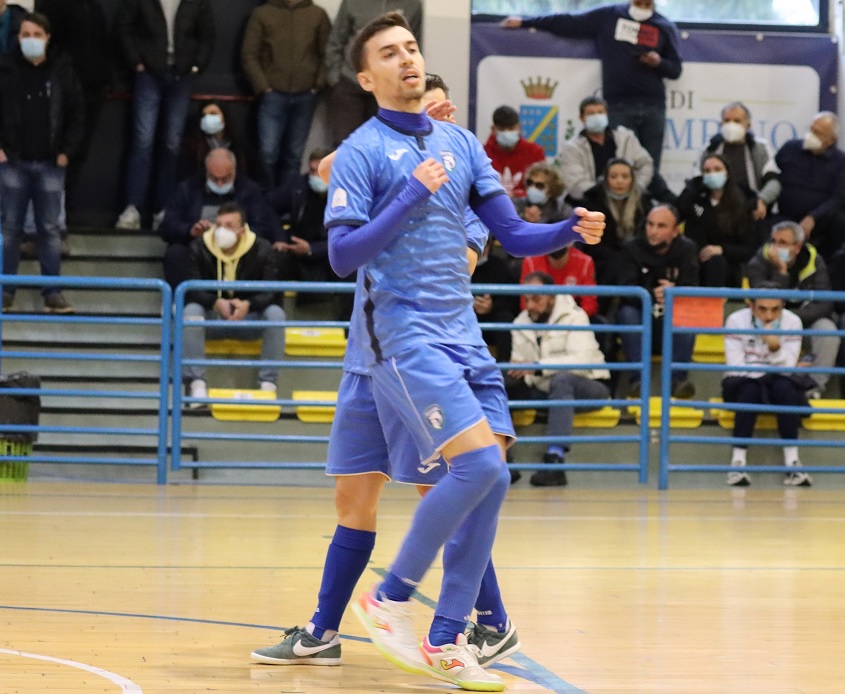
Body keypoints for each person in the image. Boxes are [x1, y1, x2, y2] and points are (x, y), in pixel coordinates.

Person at [323, 13, 603, 690]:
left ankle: (449, 639)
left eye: (411, 47)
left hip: (463, 336)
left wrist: (568, 228)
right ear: (367, 78)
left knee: (492, 477)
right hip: (403, 335)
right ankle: (388, 597)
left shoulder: (461, 144)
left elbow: (511, 233)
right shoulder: (362, 150)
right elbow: (341, 256)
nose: (406, 59)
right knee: (472, 467)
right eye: (389, 53)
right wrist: (408, 194)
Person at [251, 75, 521, 672]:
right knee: (352, 498)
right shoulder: (377, 165)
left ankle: (491, 622)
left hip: (419, 360)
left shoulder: (466, 190)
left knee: (446, 497)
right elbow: (326, 168)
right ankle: (322, 631)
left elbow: (458, 266)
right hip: (365, 363)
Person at [501, 0, 682, 187]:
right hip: (618, 106)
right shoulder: (610, 15)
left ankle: (644, 205)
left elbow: (676, 70)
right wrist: (526, 21)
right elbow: (569, 22)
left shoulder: (664, 26)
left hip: (653, 106)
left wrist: (659, 63)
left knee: (650, 169)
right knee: (617, 170)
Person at [0, 11, 83, 314]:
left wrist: (67, 151)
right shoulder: (5, 69)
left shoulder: (62, 70)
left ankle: (52, 292)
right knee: (10, 229)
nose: (31, 40)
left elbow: (76, 113)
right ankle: (5, 291)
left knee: (49, 230)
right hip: (12, 163)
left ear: (47, 38)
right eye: (26, 35)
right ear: (18, 38)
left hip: (51, 164)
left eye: (37, 35)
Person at [115, 0, 215, 231]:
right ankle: (133, 209)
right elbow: (123, 28)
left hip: (182, 74)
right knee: (143, 142)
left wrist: (197, 65)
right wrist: (136, 62)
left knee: (172, 145)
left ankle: (164, 210)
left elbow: (207, 34)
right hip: (148, 74)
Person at [506, 272, 610, 487]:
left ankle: (555, 460)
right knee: (498, 381)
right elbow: (520, 364)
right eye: (526, 299)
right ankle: (501, 457)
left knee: (562, 381)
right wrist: (518, 371)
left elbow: (581, 362)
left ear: (552, 297)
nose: (530, 305)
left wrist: (537, 367)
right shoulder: (520, 322)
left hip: (590, 385)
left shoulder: (575, 316)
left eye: (536, 299)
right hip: (543, 387)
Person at [182, 202, 284, 404]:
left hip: (249, 318)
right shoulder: (199, 247)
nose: (222, 230)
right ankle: (197, 384)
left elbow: (271, 291)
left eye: (229, 225)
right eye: (219, 225)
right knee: (191, 311)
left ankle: (268, 384)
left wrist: (248, 304)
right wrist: (215, 302)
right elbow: (192, 288)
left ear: (242, 230)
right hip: (213, 318)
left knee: (276, 314)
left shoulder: (262, 248)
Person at [723, 288, 812, 487]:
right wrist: (766, 371)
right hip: (744, 381)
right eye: (762, 309)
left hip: (778, 379)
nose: (769, 316)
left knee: (786, 390)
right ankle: (737, 463)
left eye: (775, 309)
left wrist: (774, 348)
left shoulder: (793, 322)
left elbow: (788, 368)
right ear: (751, 306)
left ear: (783, 307)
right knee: (750, 390)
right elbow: (736, 367)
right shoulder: (736, 321)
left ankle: (793, 464)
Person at [159, 149, 278, 291]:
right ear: (206, 172)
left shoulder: (250, 190)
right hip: (200, 254)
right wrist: (190, 231)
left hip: (240, 256)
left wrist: (236, 234)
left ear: (234, 171)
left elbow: (263, 227)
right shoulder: (187, 189)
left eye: (225, 179)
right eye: (214, 179)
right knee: (175, 253)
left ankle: (246, 299)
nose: (220, 184)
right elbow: (167, 226)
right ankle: (187, 300)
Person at [35, 0, 110, 224]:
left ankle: (67, 208)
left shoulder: (94, 6)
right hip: (65, 89)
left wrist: (106, 80)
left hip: (95, 88)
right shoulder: (55, 4)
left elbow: (102, 43)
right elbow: (50, 46)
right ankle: (51, 213)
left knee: (78, 152)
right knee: (59, 151)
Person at [241, 0, 331, 188]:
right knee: (268, 153)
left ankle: (287, 200)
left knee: (294, 156)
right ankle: (267, 199)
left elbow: (327, 53)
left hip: (306, 96)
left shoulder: (317, 15)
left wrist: (318, 85)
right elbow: (249, 54)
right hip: (273, 95)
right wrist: (263, 86)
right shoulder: (262, 14)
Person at [745, 220, 839, 398]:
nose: (776, 247)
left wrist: (793, 319)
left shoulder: (815, 262)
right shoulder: (758, 263)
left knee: (828, 331)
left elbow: (825, 304)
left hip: (805, 321)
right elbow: (765, 302)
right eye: (774, 241)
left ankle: (813, 389)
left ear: (797, 247)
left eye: (783, 242)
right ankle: (767, 385)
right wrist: (781, 272)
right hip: (770, 322)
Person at [617, 204, 698, 399]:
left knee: (687, 316)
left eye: (661, 226)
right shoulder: (631, 248)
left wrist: (674, 292)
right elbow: (626, 289)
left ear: (675, 231)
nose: (653, 231)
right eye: (650, 224)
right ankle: (638, 381)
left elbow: (692, 289)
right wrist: (653, 295)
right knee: (627, 313)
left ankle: (678, 381)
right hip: (641, 321)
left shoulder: (687, 249)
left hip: (670, 325)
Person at [323, 0, 422, 146]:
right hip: (349, 84)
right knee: (345, 143)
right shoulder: (351, 2)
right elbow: (336, 41)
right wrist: (336, 79)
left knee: (385, 143)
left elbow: (415, 42)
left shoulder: (413, 4)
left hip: (389, 89)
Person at [581, 158, 652, 309]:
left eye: (625, 177)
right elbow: (591, 243)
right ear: (606, 180)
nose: (619, 181)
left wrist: (629, 255)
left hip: (637, 257)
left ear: (632, 180)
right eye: (614, 177)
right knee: (613, 267)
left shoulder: (644, 203)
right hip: (603, 259)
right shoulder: (592, 202)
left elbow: (646, 237)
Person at [774, 112, 845, 261]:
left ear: (831, 140)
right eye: (811, 129)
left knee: (840, 223)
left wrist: (813, 217)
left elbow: (838, 199)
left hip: (821, 221)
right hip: (785, 216)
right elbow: (772, 175)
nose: (811, 135)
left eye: (817, 133)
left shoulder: (841, 161)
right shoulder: (790, 148)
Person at [677, 154, 756, 287]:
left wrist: (722, 249)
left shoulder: (742, 204)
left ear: (727, 173)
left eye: (717, 169)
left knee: (717, 262)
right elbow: (679, 210)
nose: (712, 174)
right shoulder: (695, 200)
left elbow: (749, 249)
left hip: (729, 266)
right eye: (707, 171)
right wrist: (693, 186)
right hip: (697, 265)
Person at [559, 95, 653, 203]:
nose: (596, 116)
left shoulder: (625, 138)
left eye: (600, 112)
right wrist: (606, 194)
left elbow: (645, 164)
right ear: (582, 118)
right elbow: (576, 183)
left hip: (628, 200)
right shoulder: (572, 148)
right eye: (591, 114)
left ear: (607, 114)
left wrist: (634, 189)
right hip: (591, 201)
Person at [699, 101, 780, 225]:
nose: (731, 125)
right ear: (721, 124)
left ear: (748, 125)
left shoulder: (759, 148)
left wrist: (762, 200)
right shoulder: (710, 148)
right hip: (716, 211)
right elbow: (697, 181)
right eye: (727, 121)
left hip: (750, 210)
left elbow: (774, 182)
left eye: (737, 121)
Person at [267, 147, 337, 288]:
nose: (315, 176)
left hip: (326, 255)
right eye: (312, 171)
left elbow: (347, 237)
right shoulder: (298, 185)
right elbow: (269, 207)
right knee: (273, 260)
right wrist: (280, 238)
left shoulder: (345, 194)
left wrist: (312, 249)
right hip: (293, 249)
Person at [176, 100, 252, 182]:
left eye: (213, 113)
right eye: (204, 115)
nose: (208, 118)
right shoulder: (192, 146)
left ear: (224, 117)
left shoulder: (238, 145)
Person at [471, 237, 520, 363]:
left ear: (489, 247)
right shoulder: (457, 266)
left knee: (505, 318)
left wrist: (492, 306)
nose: (480, 250)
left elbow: (513, 300)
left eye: (484, 245)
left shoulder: (499, 266)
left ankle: (505, 367)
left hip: (492, 321)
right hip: (466, 318)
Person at [483, 105, 546, 199]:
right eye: (502, 129)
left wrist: (516, 195)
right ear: (493, 130)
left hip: (526, 204)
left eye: (511, 128)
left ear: (519, 128)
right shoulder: (483, 153)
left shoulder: (535, 152)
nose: (507, 133)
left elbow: (542, 187)